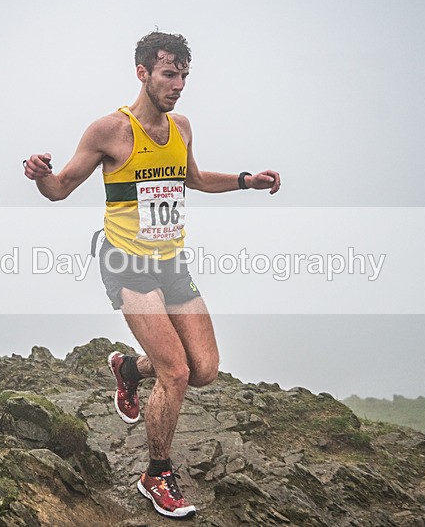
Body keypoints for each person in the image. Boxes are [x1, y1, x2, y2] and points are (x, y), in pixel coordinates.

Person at [23, 31, 281, 519]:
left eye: (184, 74)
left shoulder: (181, 127)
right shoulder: (109, 132)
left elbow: (196, 179)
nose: (179, 84)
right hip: (126, 263)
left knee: (204, 370)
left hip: (172, 263)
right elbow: (59, 190)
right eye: (169, 73)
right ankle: (156, 474)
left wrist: (247, 181)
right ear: (142, 73)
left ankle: (127, 368)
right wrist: (40, 174)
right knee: (177, 371)